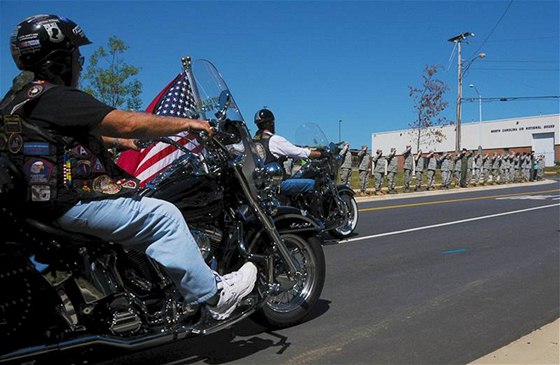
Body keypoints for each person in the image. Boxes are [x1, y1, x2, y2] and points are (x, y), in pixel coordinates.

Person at [2, 14, 257, 321]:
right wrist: (189, 123)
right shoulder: (56, 96)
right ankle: (214, 295)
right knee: (165, 216)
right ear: (57, 60)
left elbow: (54, 138)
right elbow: (128, 122)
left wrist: (121, 143)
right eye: (75, 55)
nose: (80, 63)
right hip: (70, 202)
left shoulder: (18, 100)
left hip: (39, 206)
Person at [253, 108, 322, 197]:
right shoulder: (274, 140)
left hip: (262, 184)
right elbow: (298, 152)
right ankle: (313, 211)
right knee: (313, 184)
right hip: (277, 184)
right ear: (271, 123)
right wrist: (320, 154)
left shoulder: (253, 141)